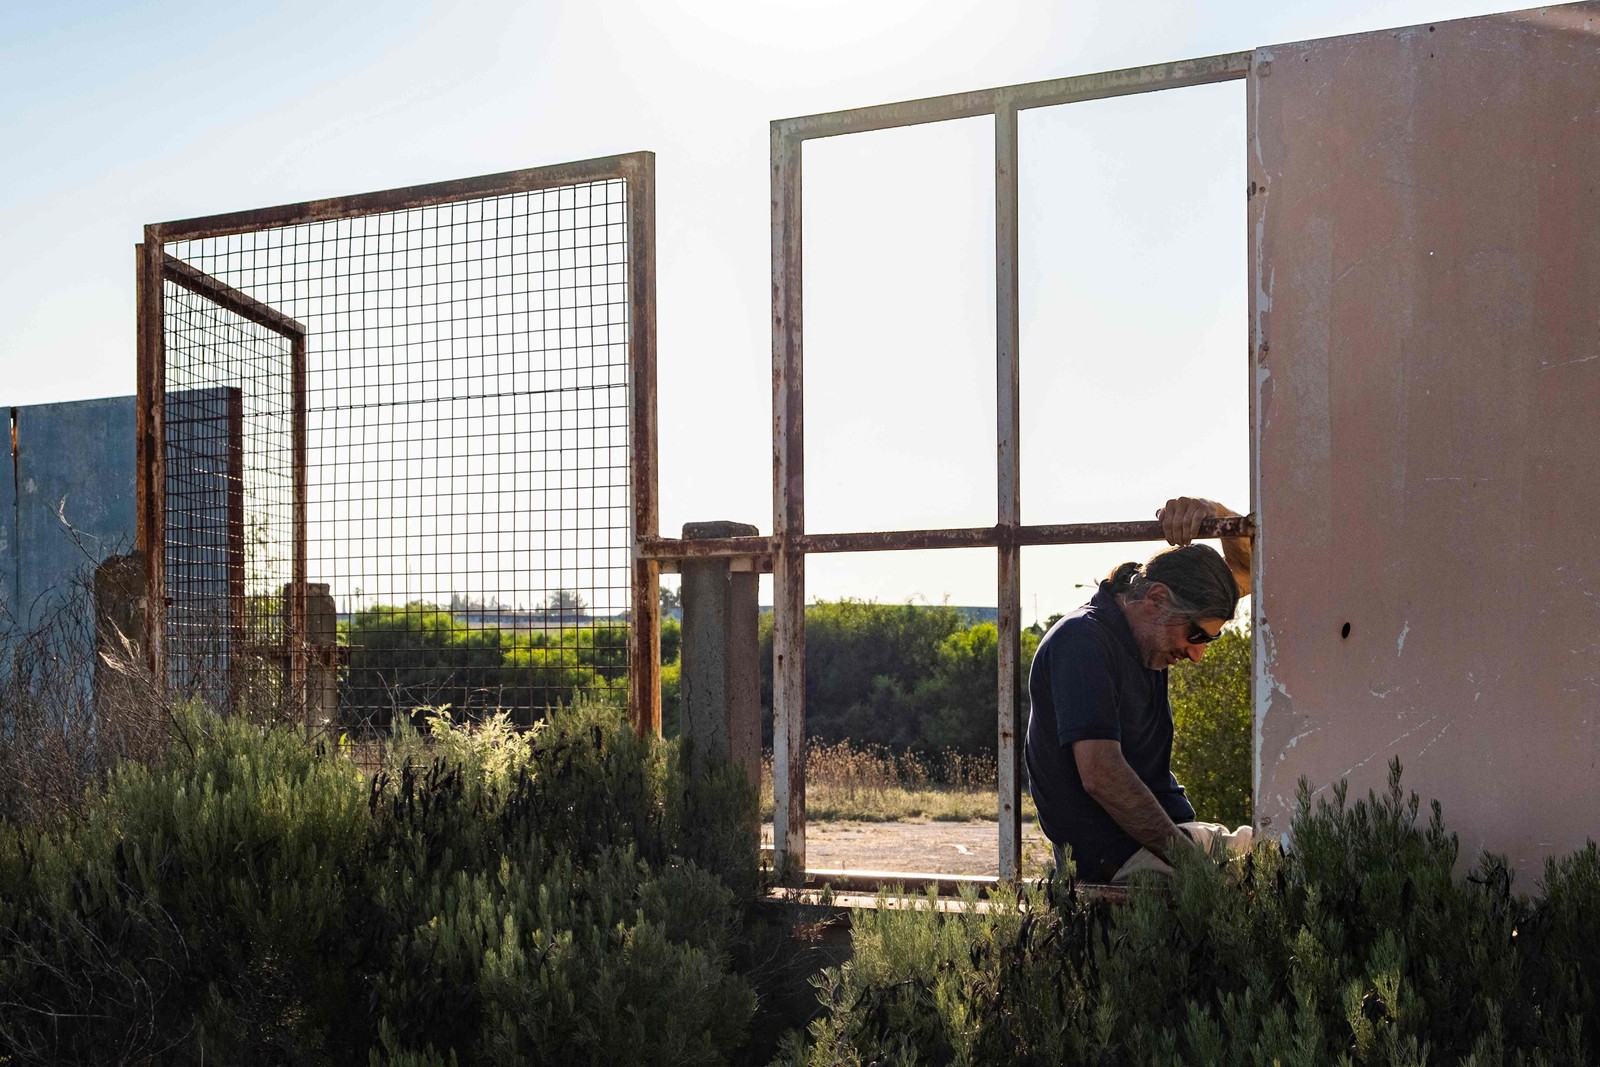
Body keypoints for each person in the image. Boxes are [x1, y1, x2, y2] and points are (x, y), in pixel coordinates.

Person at [1024, 497, 1253, 883]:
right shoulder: (1083, 642)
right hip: (1122, 860)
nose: (1196, 654)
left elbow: (1249, 574)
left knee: (1281, 853)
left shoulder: (1145, 639)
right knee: (1259, 890)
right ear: (1156, 598)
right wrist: (1194, 867)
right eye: (1196, 634)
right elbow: (1101, 774)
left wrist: (1217, 516)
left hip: (1166, 845)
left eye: (1208, 641)